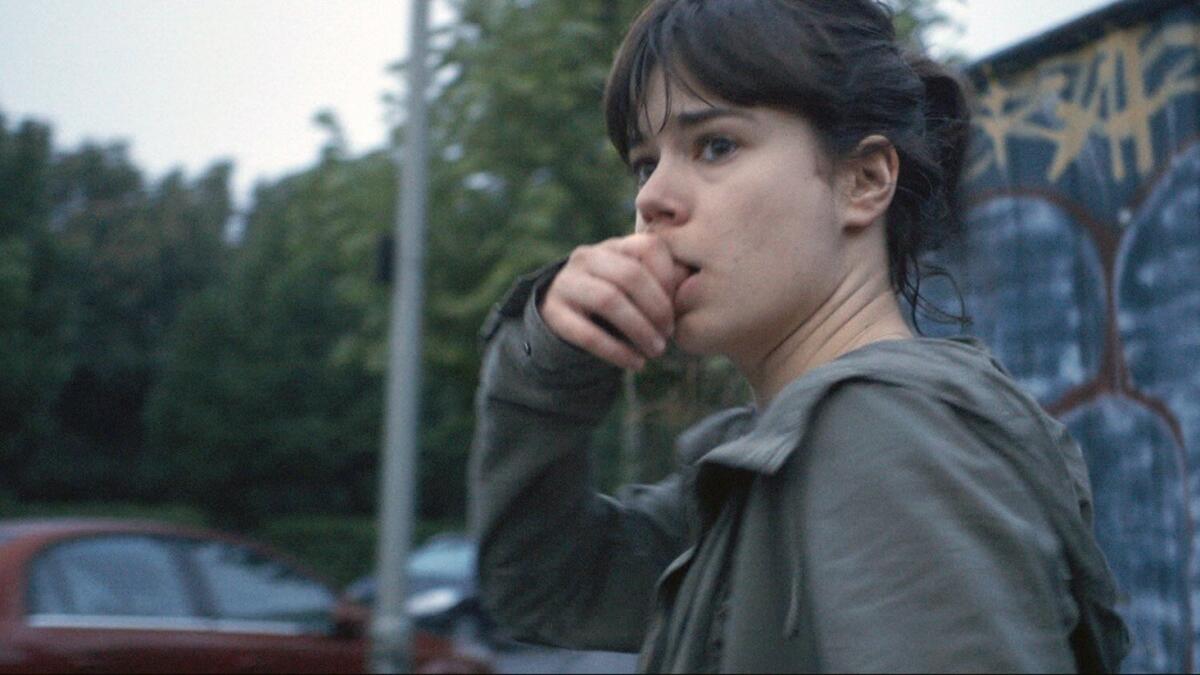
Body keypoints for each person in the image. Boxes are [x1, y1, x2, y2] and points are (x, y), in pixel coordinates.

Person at [469, 0, 1130, 671]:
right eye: (646, 163)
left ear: (864, 180)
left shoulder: (887, 432)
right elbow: (544, 584)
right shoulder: (778, 458)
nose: (650, 199)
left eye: (715, 145)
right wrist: (548, 354)